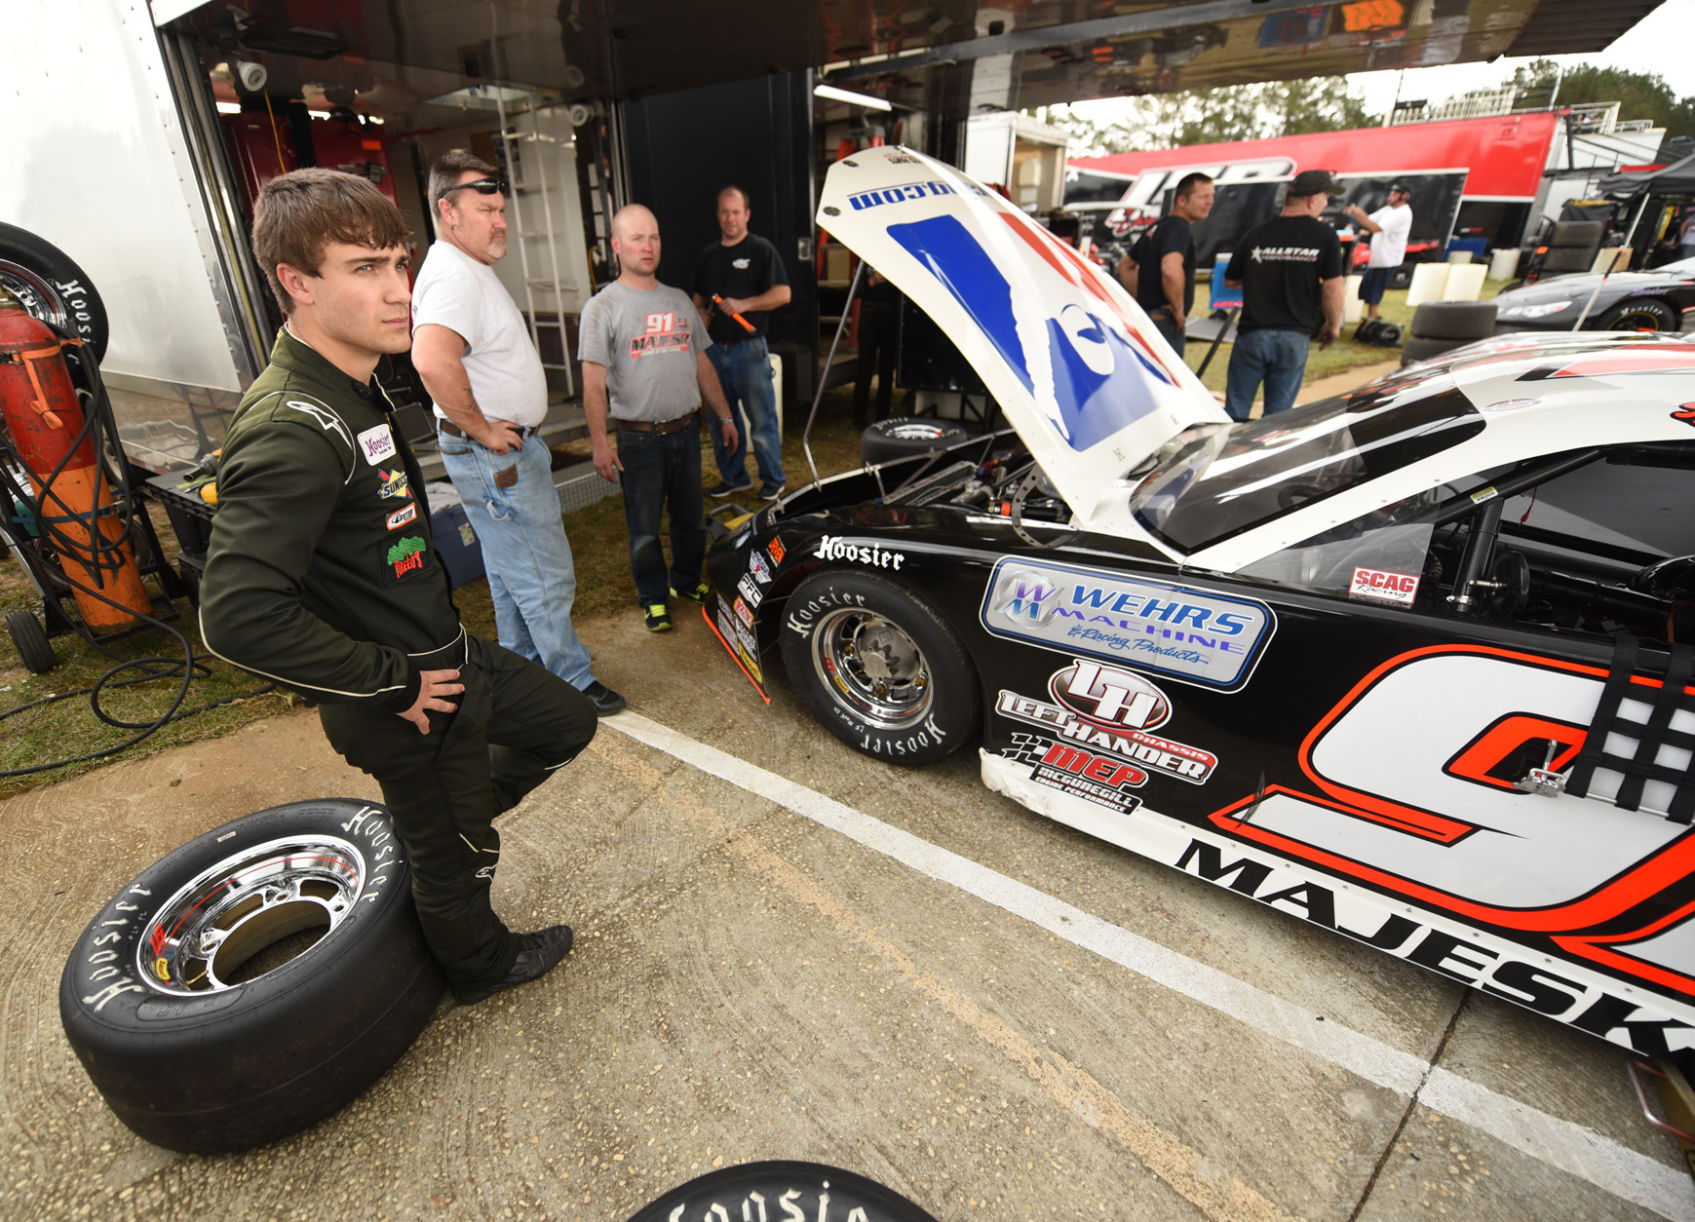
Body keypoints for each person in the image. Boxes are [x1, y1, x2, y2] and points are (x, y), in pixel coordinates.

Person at [199, 167, 595, 1005]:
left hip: (449, 657)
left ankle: (433, 840)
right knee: (458, 859)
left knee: (565, 720)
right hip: (404, 691)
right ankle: (477, 963)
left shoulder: (356, 383)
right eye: (364, 268)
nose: (397, 290)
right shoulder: (290, 428)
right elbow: (237, 617)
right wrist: (395, 684)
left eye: (397, 263)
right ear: (297, 284)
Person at [410, 151, 624, 717]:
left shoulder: (465, 268)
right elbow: (432, 360)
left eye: (501, 208)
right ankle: (570, 680)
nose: (501, 220)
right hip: (494, 453)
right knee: (544, 571)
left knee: (510, 571)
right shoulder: (454, 276)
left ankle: (521, 670)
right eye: (486, 210)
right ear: (448, 212)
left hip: (495, 451)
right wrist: (481, 428)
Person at [581, 204, 739, 634]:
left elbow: (703, 364)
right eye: (636, 238)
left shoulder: (679, 301)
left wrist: (724, 416)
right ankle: (652, 597)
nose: (647, 247)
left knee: (690, 519)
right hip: (639, 441)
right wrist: (599, 442)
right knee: (646, 528)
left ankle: (685, 583)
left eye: (653, 237)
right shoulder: (602, 308)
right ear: (616, 245)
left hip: (685, 433)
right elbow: (592, 382)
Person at [1223, 169, 1346, 421]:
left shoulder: (1257, 233)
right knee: (1277, 421)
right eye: (1325, 197)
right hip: (1293, 336)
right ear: (1312, 200)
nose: (1326, 203)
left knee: (1234, 414)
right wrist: (1333, 325)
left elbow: (1230, 279)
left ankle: (1227, 457)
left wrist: (1266, 267)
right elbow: (1333, 287)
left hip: (1252, 335)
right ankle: (1267, 460)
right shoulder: (1325, 236)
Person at [692, 186, 789, 500]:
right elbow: (699, 299)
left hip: (749, 350)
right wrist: (701, 316)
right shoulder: (709, 255)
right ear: (717, 215)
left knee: (761, 418)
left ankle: (773, 480)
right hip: (714, 353)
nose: (730, 218)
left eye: (736, 212)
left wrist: (744, 305)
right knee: (721, 419)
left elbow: (783, 294)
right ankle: (735, 478)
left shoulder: (761, 250)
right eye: (724, 212)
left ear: (746, 214)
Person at [1115, 172, 1215, 355]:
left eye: (1212, 196)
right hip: (1165, 323)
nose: (1210, 202)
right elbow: (1170, 268)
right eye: (1204, 197)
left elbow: (1126, 265)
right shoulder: (1179, 229)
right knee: (1166, 382)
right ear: (1182, 200)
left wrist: (1144, 301)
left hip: (1148, 320)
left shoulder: (1157, 227)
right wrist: (1178, 310)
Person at [1344, 182, 1413, 324]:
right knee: (1368, 288)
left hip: (1388, 258)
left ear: (1404, 197)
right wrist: (1357, 217)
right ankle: (1371, 318)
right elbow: (1369, 220)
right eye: (1390, 193)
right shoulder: (1388, 210)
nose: (1390, 197)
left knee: (1375, 289)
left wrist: (1357, 212)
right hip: (1378, 257)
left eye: (1394, 194)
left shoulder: (1403, 213)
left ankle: (1373, 318)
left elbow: (1375, 227)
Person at [852, 268, 900, 429]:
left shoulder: (897, 260)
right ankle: (858, 417)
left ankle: (883, 416)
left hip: (891, 316)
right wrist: (871, 281)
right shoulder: (864, 261)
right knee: (864, 369)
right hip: (869, 316)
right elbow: (854, 290)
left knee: (886, 371)